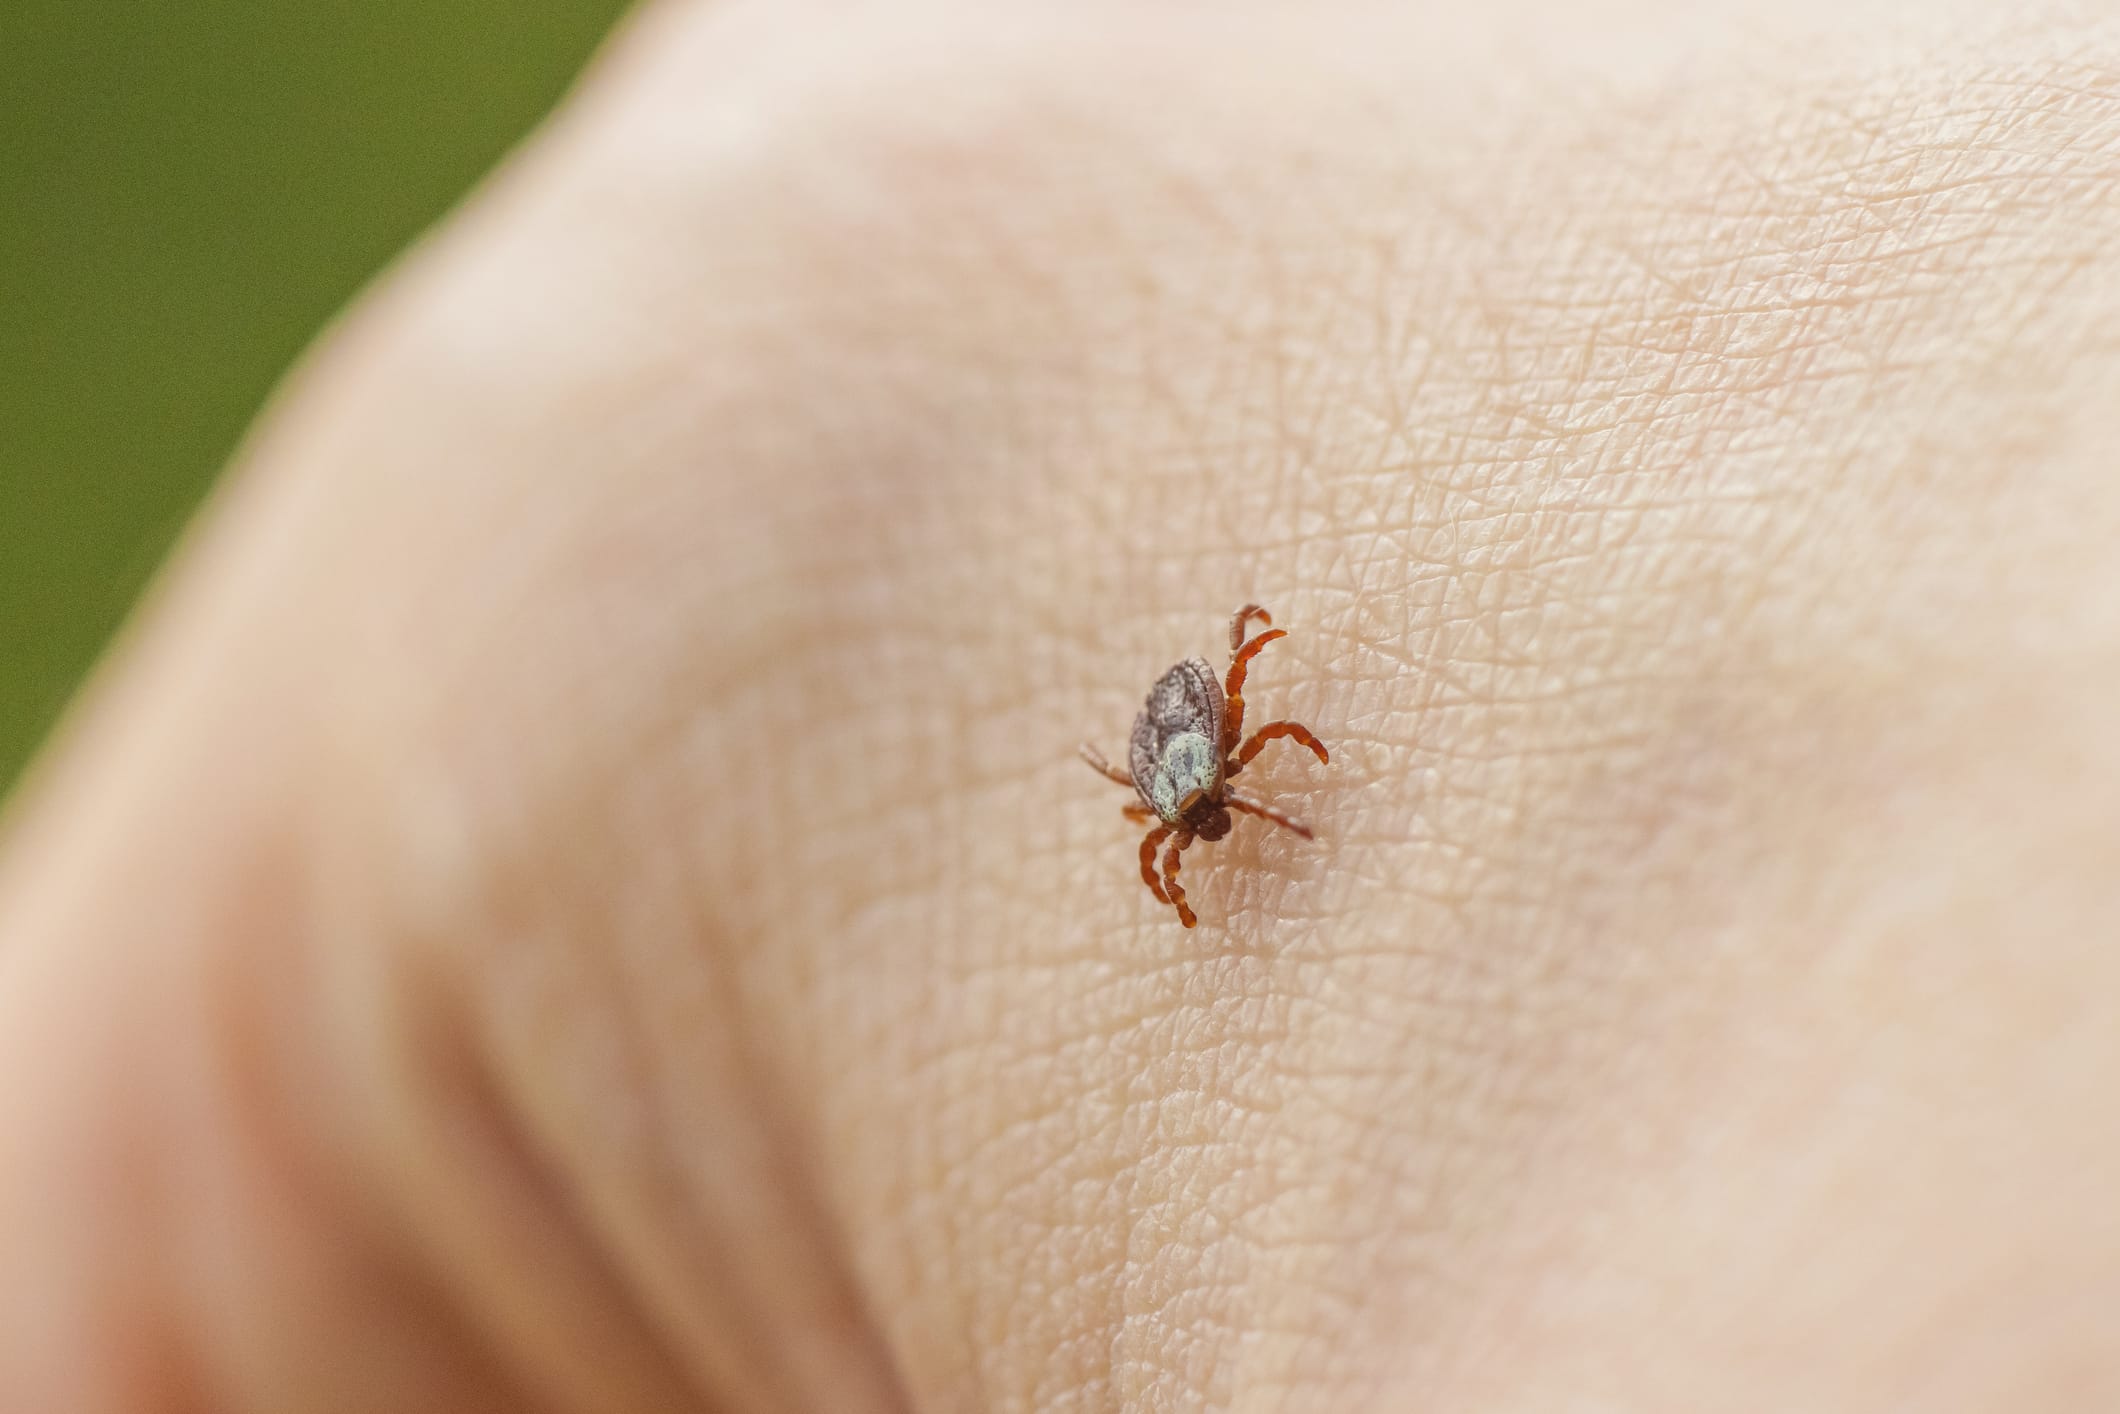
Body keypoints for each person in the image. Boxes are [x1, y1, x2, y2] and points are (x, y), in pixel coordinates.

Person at [4, 1, 2117, 1407]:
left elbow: (1209, 712)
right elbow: (1198, 730)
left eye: (1200, 818)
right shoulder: (1189, 777)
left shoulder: (1199, 761)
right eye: (1193, 824)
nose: (1205, 825)